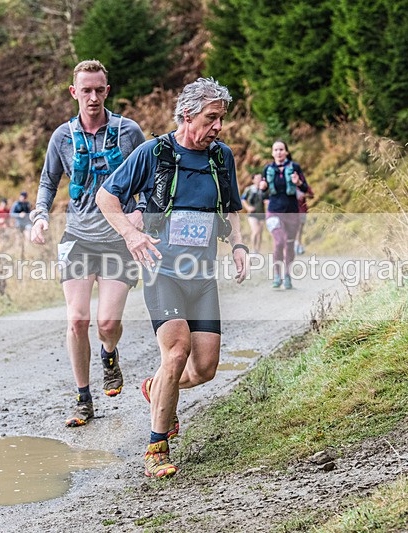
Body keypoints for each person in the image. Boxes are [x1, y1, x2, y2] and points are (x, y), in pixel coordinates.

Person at [97, 77, 248, 478]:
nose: (218, 126)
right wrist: (130, 234)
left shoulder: (221, 158)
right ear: (187, 115)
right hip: (162, 271)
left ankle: (154, 388)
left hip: (201, 275)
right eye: (211, 118)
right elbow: (106, 197)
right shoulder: (155, 153)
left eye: (221, 119)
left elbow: (231, 207)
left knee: (204, 369)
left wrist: (238, 245)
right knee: (176, 351)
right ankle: (156, 448)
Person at [29, 59, 146, 428]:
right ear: (74, 92)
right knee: (77, 319)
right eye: (86, 90)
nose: (92, 97)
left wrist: (141, 210)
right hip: (78, 237)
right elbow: (48, 181)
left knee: (106, 323)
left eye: (99, 89)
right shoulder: (62, 137)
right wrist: (40, 215)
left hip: (118, 239)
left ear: (107, 91)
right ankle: (83, 399)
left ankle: (109, 354)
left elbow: (147, 176)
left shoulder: (128, 132)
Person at [259, 140, 310, 289]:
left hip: (291, 212)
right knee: (279, 241)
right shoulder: (267, 169)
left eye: (281, 149)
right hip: (274, 211)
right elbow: (263, 193)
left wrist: (298, 182)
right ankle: (277, 274)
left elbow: (305, 188)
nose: (279, 152)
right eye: (276, 150)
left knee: (289, 246)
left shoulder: (295, 167)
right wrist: (262, 188)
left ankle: (287, 275)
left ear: (286, 152)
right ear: (272, 152)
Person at [240, 173, 266, 253]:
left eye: (260, 178)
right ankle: (253, 249)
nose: (259, 180)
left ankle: (258, 249)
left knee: (260, 233)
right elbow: (243, 199)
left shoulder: (264, 189)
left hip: (261, 213)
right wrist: (248, 207)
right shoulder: (249, 189)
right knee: (255, 231)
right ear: (253, 180)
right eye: (257, 178)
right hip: (252, 214)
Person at [294, 183, 314, 255]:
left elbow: (311, 195)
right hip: (292, 209)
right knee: (296, 228)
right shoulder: (289, 184)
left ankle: (298, 245)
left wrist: (304, 195)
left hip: (302, 209)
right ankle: (297, 245)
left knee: (300, 228)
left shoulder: (304, 186)